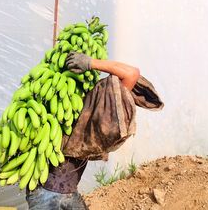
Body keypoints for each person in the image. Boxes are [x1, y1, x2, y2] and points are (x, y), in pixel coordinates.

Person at [26, 52, 164, 210]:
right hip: (49, 197)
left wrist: (89, 63)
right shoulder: (64, 112)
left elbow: (131, 74)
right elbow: (131, 73)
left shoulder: (88, 112)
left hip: (60, 193)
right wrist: (91, 63)